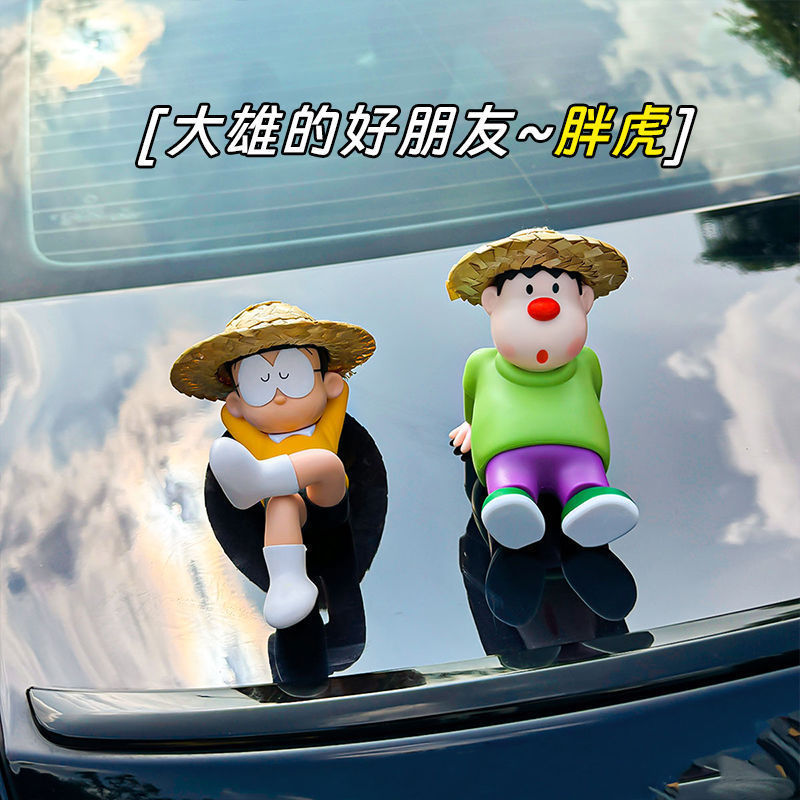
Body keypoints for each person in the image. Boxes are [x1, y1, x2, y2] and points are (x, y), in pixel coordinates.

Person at [171, 301, 375, 628]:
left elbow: (340, 394)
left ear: (327, 383)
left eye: (293, 376)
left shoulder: (327, 427)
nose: (279, 394)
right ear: (237, 403)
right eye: (260, 383)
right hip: (293, 505)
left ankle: (263, 481)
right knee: (281, 505)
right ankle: (287, 582)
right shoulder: (253, 434)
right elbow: (230, 419)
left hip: (329, 499)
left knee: (326, 463)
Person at [447, 227, 639, 550]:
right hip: (507, 454)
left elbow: (592, 396)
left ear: (584, 301)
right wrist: (471, 424)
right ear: (492, 303)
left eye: (556, 290)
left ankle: (590, 498)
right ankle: (510, 503)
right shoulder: (481, 365)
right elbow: (472, 401)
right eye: (527, 291)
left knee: (584, 475)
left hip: (578, 450)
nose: (544, 307)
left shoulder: (587, 362)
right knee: (508, 479)